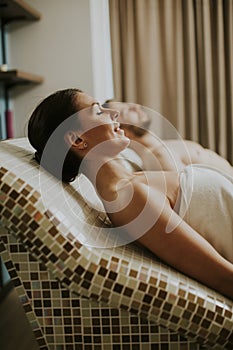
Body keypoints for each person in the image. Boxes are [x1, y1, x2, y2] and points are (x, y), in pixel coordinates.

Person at [28, 88, 233, 299]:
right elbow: (222, 278)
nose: (114, 113)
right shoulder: (127, 198)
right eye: (98, 112)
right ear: (77, 140)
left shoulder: (133, 182)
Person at [104, 101, 233, 176]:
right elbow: (191, 195)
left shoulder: (164, 146)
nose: (136, 106)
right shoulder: (159, 156)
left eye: (128, 104)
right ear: (122, 131)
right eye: (127, 111)